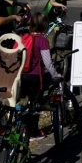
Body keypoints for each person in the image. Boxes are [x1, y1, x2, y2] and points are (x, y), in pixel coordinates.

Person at [21, 12, 62, 140]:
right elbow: (48, 63)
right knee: (35, 104)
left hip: (21, 75)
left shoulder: (23, 38)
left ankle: (21, 128)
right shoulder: (43, 41)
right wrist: (56, 74)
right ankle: (33, 132)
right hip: (35, 76)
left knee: (24, 103)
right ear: (44, 26)